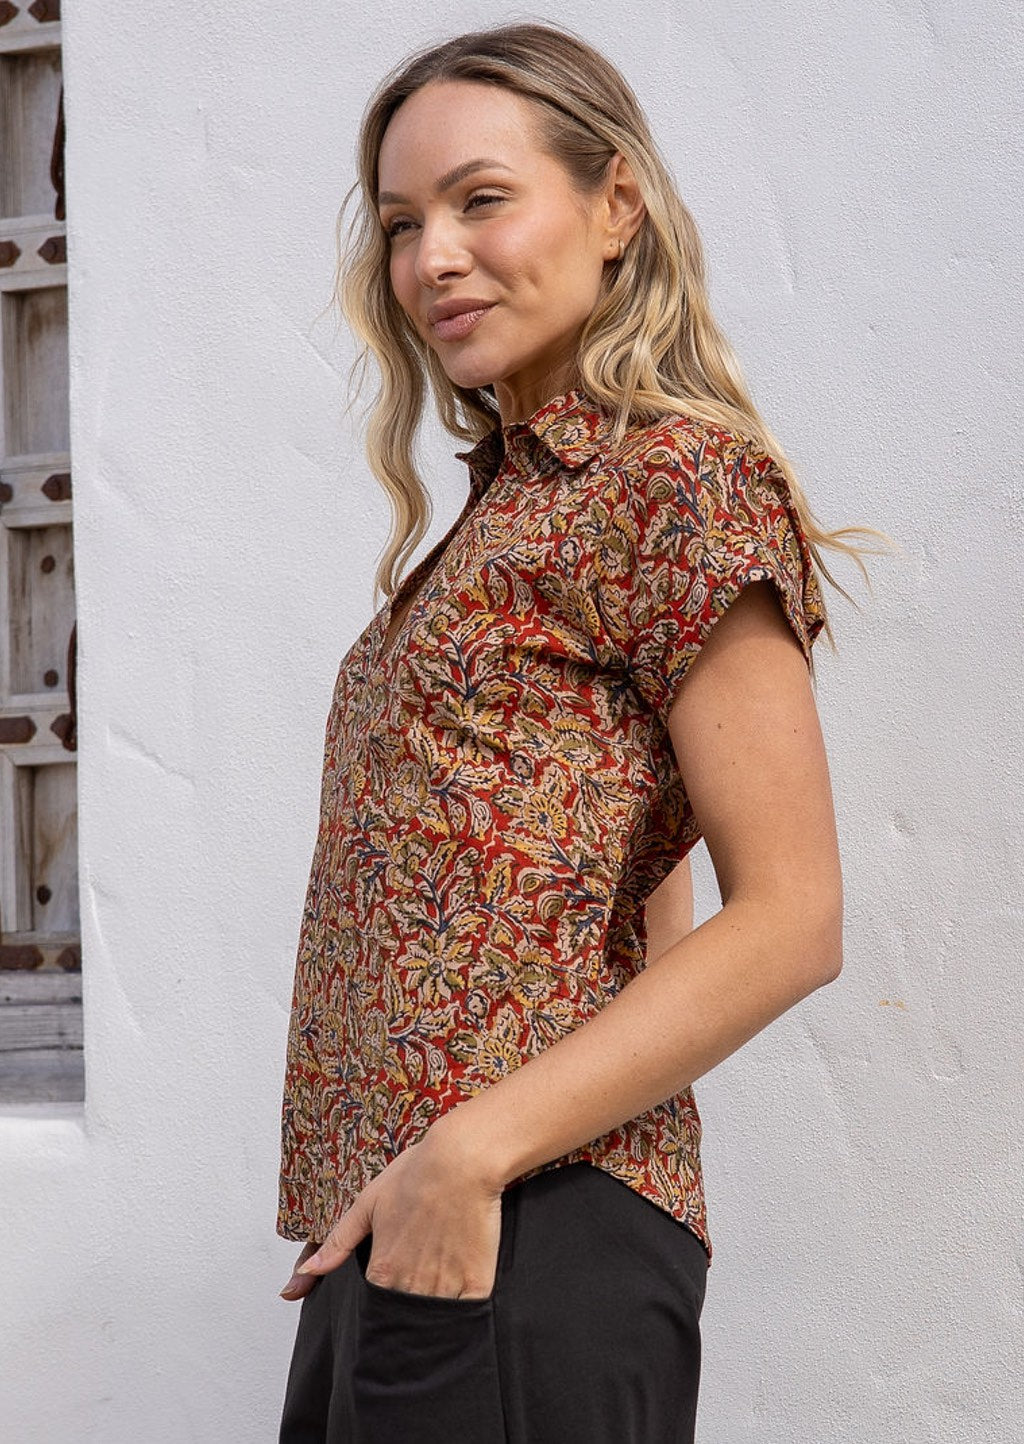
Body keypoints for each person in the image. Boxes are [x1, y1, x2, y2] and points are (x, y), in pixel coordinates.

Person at [275, 21, 887, 1443]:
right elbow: (641, 868)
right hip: (422, 1224)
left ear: (617, 205)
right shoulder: (511, 506)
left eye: (482, 200)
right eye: (403, 223)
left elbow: (796, 917)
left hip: (523, 1222)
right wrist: (420, 1184)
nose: (433, 258)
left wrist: (471, 1155)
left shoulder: (673, 477)